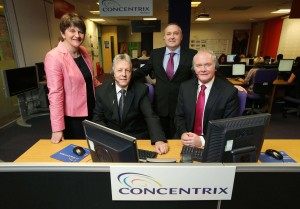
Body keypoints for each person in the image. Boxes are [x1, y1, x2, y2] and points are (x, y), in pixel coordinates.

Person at [92, 54, 169, 154]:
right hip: (112, 139)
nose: (123, 74)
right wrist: (109, 137)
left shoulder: (140, 90)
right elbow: (97, 118)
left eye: (127, 70)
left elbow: (150, 116)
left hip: (136, 139)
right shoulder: (102, 91)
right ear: (113, 72)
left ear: (131, 73)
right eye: (119, 70)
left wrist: (158, 139)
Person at [133, 23, 197, 139]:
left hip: (182, 106)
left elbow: (205, 71)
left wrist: (230, 85)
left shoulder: (192, 54)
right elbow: (144, 70)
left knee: (179, 139)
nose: (172, 37)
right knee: (161, 138)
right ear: (164, 37)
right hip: (160, 105)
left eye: (175, 33)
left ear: (181, 37)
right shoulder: (156, 54)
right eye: (168, 34)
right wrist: (124, 78)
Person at [44, 13, 101, 144]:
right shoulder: (54, 57)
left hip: (92, 110)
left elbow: (90, 79)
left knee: (94, 147)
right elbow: (55, 95)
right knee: (79, 154)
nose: (77, 35)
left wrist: (111, 87)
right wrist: (57, 129)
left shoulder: (83, 51)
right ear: (63, 33)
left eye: (81, 32)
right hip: (73, 118)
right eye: (72, 31)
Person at [175, 50, 239, 147]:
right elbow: (179, 116)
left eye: (208, 65)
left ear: (215, 67)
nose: (203, 69)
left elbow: (229, 126)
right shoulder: (185, 87)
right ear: (194, 69)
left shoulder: (229, 92)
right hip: (186, 140)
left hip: (214, 142)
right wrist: (183, 133)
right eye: (198, 65)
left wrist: (202, 140)